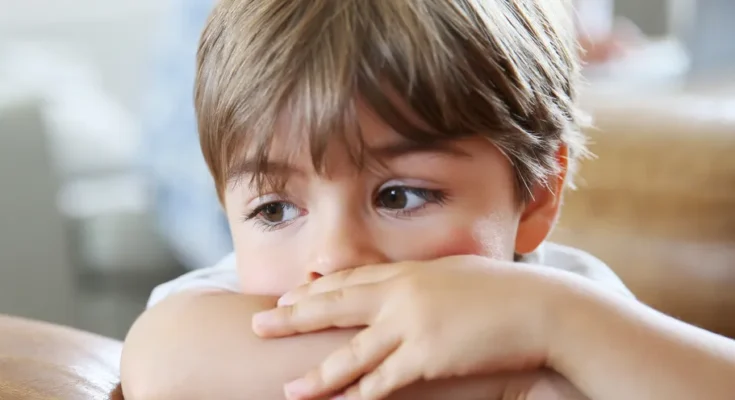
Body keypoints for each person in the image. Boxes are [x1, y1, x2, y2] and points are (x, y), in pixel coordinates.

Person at [121, 1, 735, 399]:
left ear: (538, 195)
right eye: (275, 210)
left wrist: (554, 321)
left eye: (400, 196)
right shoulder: (234, 307)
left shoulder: (569, 298)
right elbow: (160, 363)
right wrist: (523, 375)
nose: (333, 257)